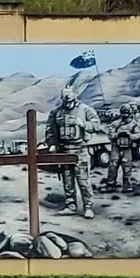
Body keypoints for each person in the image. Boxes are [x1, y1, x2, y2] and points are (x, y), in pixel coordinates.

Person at [45, 88, 99, 219]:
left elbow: (96, 125)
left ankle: (88, 206)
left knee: (83, 180)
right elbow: (50, 130)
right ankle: (71, 205)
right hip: (64, 150)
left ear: (74, 98)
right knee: (67, 179)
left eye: (69, 100)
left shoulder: (85, 110)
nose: (67, 103)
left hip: (80, 149)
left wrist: (84, 124)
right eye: (65, 101)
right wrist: (52, 144)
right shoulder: (56, 112)